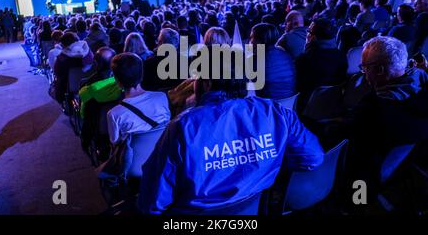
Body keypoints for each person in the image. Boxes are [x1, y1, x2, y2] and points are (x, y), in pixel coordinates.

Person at [138, 56, 324, 214]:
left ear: (207, 83)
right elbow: (313, 158)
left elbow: (153, 202)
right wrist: (269, 165)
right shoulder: (276, 112)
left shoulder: (183, 127)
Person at [350, 37, 428, 195]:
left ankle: (357, 203)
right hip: (411, 160)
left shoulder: (374, 108)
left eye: (364, 67)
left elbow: (354, 149)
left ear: (380, 70)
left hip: (368, 179)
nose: (363, 73)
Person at [107, 53, 171, 145]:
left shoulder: (114, 114)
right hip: (162, 154)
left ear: (117, 82)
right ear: (141, 76)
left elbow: (115, 144)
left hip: (136, 159)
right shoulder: (162, 97)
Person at [295, 18, 348, 111]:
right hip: (334, 107)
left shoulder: (305, 59)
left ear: (313, 37)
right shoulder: (342, 56)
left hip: (307, 109)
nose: (306, 34)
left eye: (308, 31)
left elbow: (298, 87)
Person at [250, 23, 296, 100]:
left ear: (260, 40)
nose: (250, 41)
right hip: (288, 106)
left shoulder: (256, 60)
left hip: (266, 107)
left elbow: (247, 86)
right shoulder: (286, 55)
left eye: (252, 37)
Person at [53, 32, 93, 103]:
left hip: (70, 89)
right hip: (91, 85)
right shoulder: (89, 52)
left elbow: (57, 73)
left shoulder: (62, 58)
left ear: (63, 44)